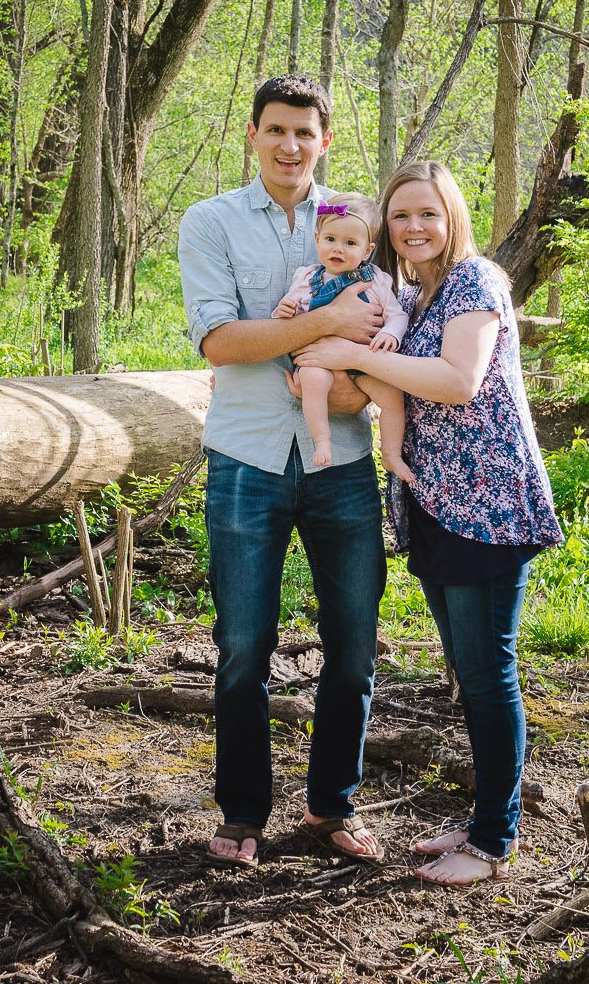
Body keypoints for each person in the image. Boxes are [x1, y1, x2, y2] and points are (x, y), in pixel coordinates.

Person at [293, 160, 562, 885]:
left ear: (452, 219)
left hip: (488, 501)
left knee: (486, 673)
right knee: (467, 673)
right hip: (436, 497)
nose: (414, 227)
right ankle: (483, 820)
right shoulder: (415, 290)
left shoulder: (477, 280)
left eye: (428, 214)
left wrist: (347, 352)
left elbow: (457, 381)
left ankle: (492, 844)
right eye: (401, 215)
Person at [177, 76, 390, 868]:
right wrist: (330, 321)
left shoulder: (360, 220)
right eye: (275, 130)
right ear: (252, 134)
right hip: (245, 456)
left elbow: (392, 330)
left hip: (343, 458)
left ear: (323, 139)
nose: (289, 145)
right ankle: (240, 816)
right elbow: (220, 341)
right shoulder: (211, 222)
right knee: (241, 645)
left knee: (356, 645)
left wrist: (355, 373)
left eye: (304, 132)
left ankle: (331, 809)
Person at [273, 194, 410, 479]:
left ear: (367, 249)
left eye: (350, 243)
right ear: (317, 239)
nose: (338, 249)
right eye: (331, 239)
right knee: (312, 379)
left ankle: (391, 455)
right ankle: (322, 442)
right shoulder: (307, 278)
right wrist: (283, 311)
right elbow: (290, 319)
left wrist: (390, 334)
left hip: (363, 362)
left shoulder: (376, 280)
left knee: (393, 396)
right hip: (319, 358)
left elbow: (397, 315)